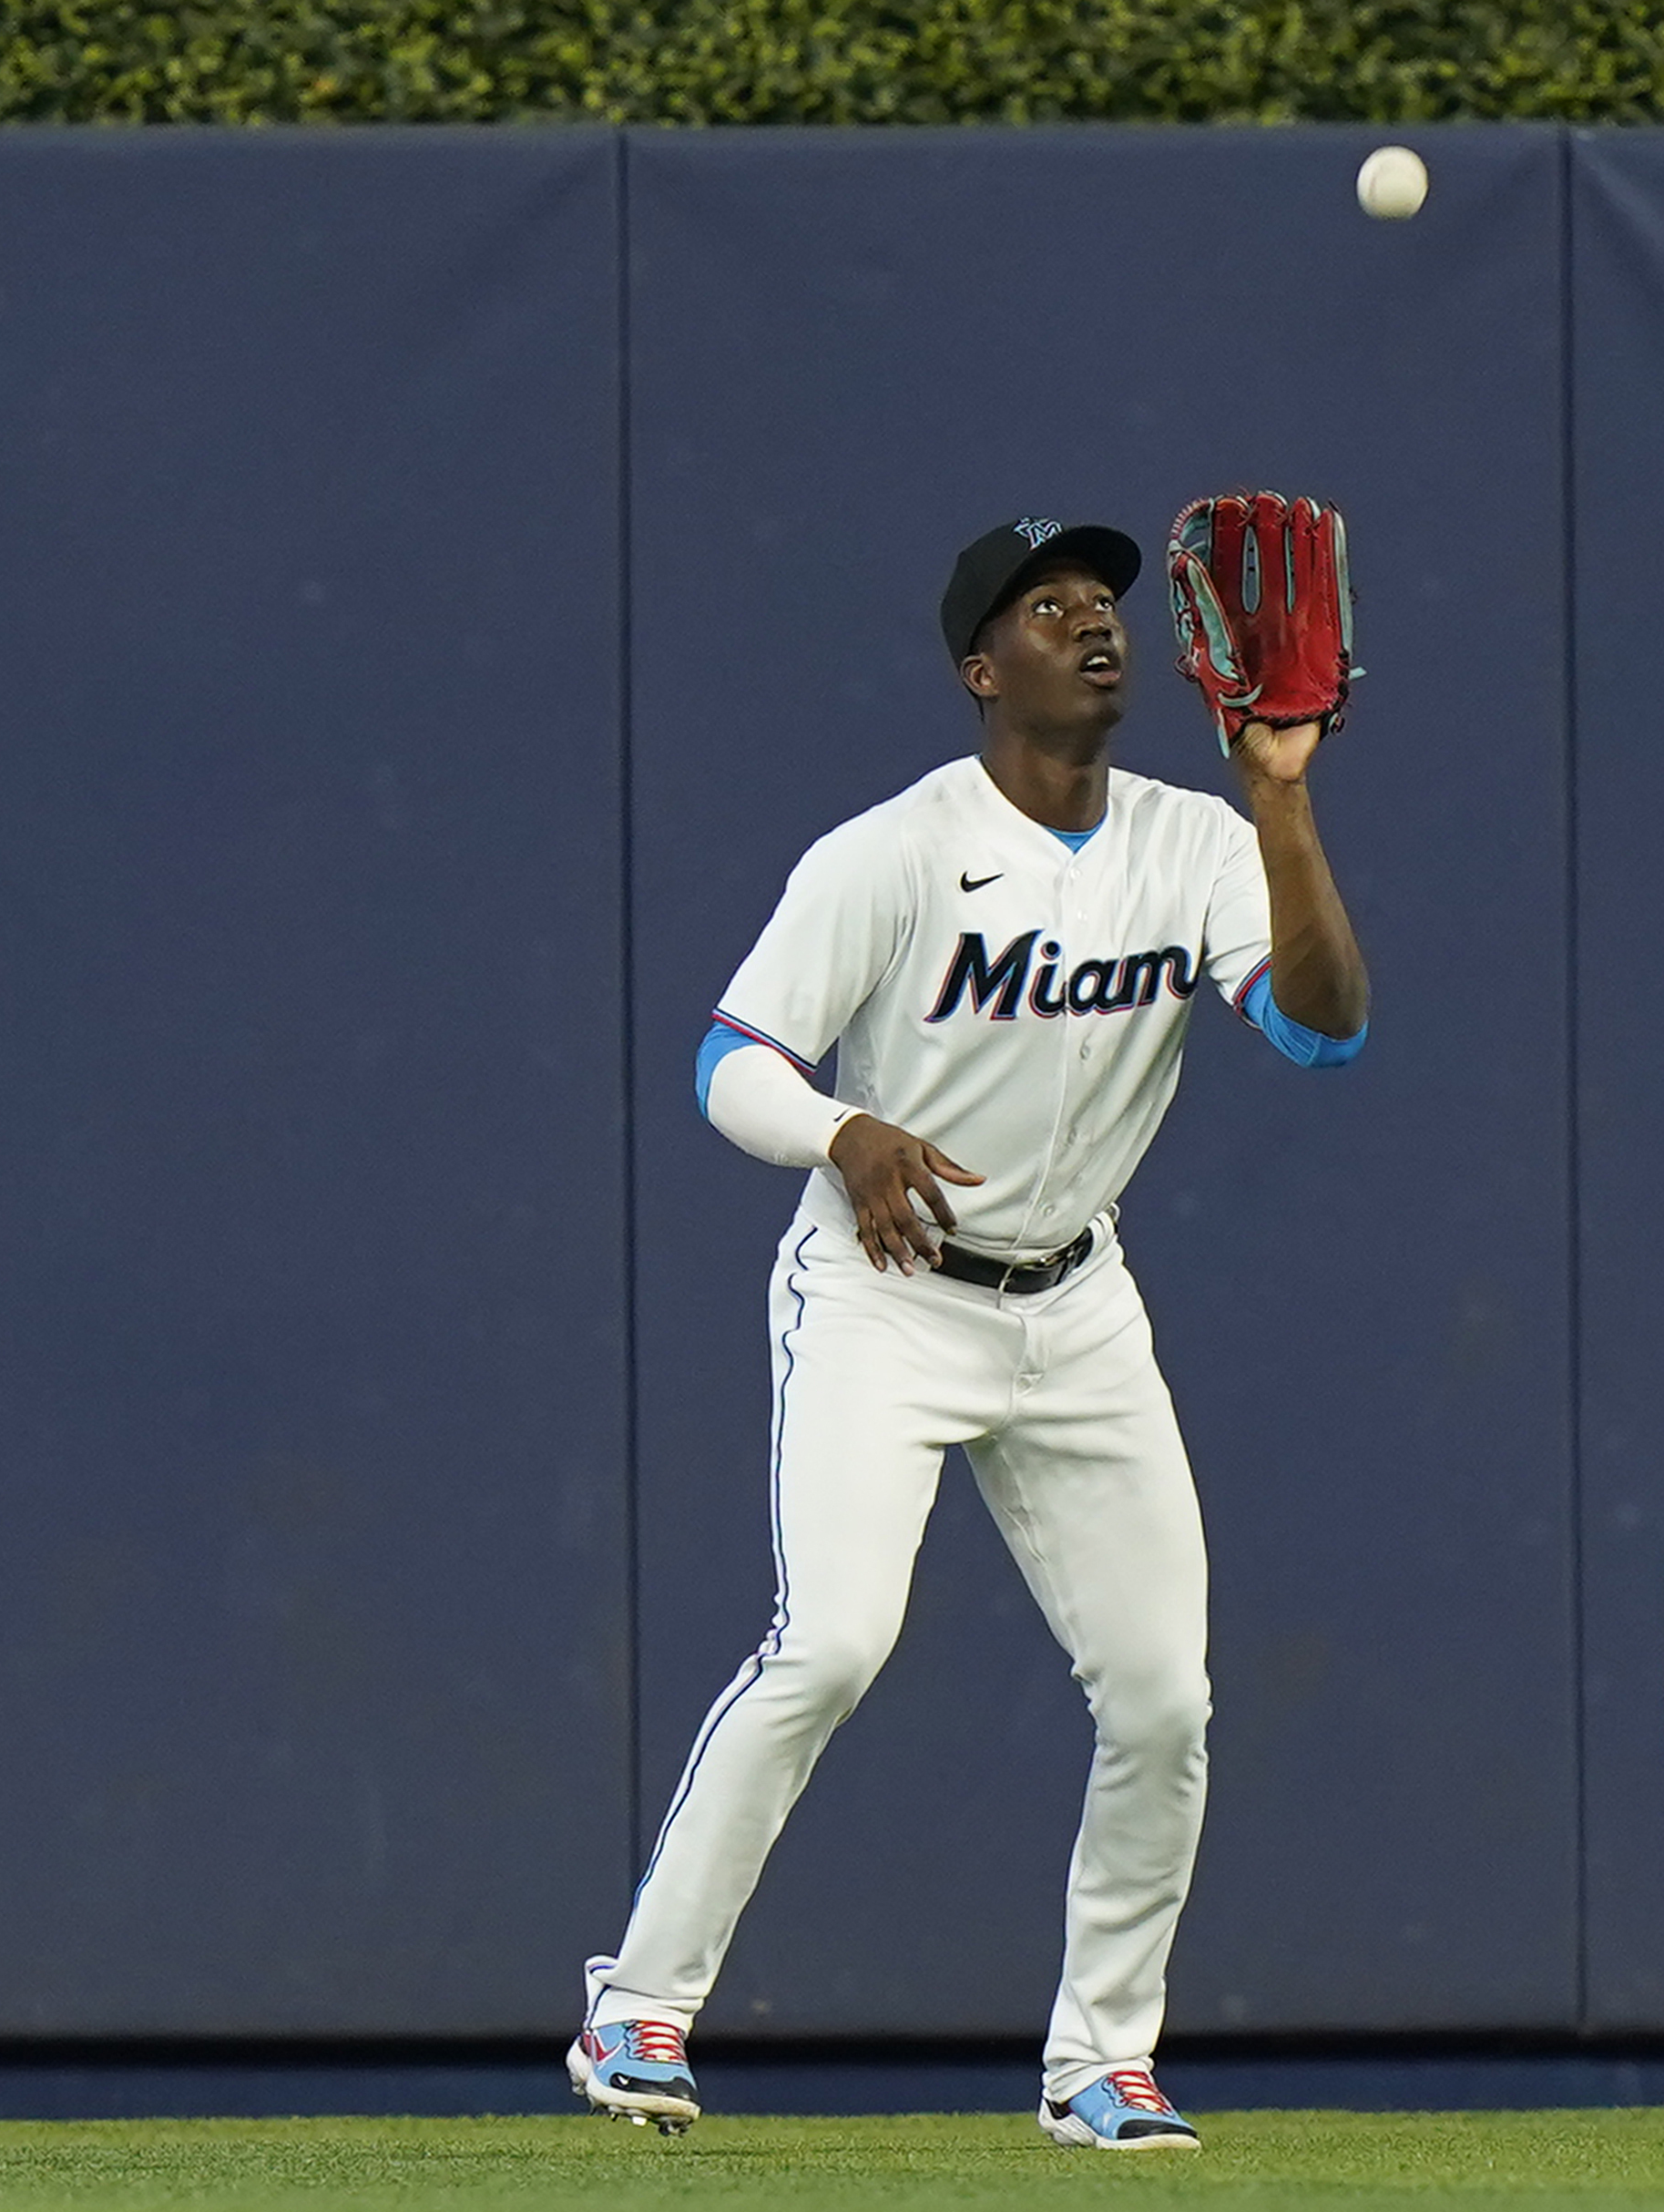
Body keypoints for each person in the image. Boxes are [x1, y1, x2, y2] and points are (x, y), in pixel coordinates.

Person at [567, 514, 1368, 2150]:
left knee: (1161, 1699)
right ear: (977, 668)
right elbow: (731, 1066)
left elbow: (1325, 1031)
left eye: (1108, 606)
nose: (1097, 627)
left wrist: (1282, 800)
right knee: (835, 1643)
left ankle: (1101, 2061)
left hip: (1076, 1307)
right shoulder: (894, 851)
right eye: (1049, 607)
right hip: (886, 1292)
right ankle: (638, 2010)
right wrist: (841, 1133)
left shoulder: (1197, 841)